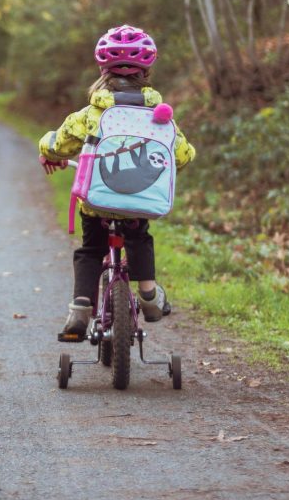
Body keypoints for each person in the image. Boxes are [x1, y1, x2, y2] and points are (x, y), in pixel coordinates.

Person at [38, 25, 196, 339]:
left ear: (102, 70)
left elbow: (59, 143)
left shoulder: (91, 114)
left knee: (90, 249)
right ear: (146, 72)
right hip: (139, 204)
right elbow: (183, 154)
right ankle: (149, 295)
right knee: (139, 238)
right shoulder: (159, 116)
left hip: (97, 204)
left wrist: (47, 149)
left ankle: (80, 310)